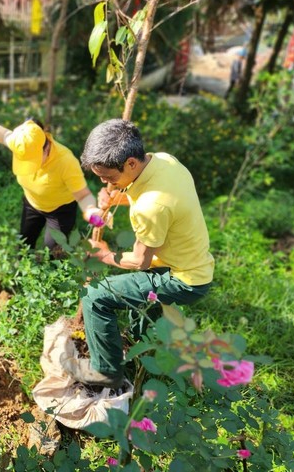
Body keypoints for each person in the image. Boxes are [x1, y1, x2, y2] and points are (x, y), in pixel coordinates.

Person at [78, 119, 214, 388]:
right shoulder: (164, 161)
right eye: (102, 178)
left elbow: (141, 262)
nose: (106, 183)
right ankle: (142, 346)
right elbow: (146, 193)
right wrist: (118, 196)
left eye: (110, 178)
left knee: (94, 296)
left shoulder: (151, 207)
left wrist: (103, 254)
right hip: (191, 260)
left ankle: (107, 374)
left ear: (130, 163)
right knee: (139, 298)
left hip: (182, 279)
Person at [0, 105, 103, 251]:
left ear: (46, 148)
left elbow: (83, 196)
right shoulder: (22, 143)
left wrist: (91, 212)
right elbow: (3, 135)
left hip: (60, 210)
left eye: (32, 160)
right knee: (24, 245)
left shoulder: (66, 161)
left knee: (53, 253)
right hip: (32, 204)